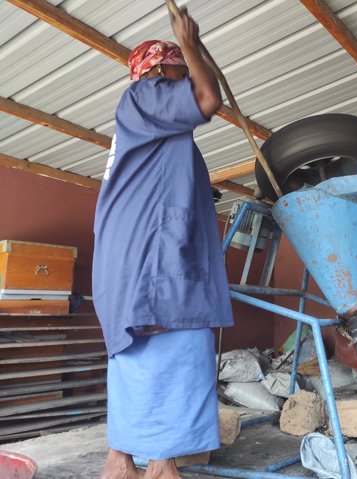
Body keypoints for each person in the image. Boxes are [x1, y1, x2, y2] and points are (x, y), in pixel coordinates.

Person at [92, 9, 233, 479]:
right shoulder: (146, 95)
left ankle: (123, 459)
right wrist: (190, 42)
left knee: (135, 356)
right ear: (160, 71)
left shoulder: (147, 126)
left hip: (131, 262)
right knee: (179, 349)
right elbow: (208, 96)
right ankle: (161, 463)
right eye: (178, 68)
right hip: (153, 263)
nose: (182, 76)